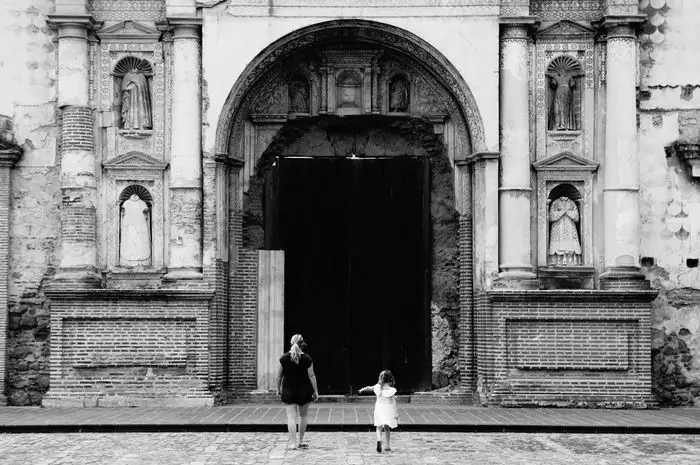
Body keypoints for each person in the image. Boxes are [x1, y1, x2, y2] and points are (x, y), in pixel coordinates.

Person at [276, 334, 318, 450]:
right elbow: (312, 375)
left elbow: (279, 376)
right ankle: (301, 440)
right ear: (302, 344)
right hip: (304, 390)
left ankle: (293, 443)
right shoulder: (307, 358)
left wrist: (277, 389)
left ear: (291, 343)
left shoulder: (283, 358)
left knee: (291, 417)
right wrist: (316, 391)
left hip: (288, 390)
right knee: (303, 416)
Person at [359, 370, 399, 453]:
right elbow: (393, 402)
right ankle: (387, 446)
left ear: (381, 378)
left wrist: (362, 389)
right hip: (388, 410)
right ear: (391, 379)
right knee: (387, 427)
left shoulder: (377, 387)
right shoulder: (391, 390)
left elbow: (369, 388)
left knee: (378, 426)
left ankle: (379, 440)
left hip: (379, 409)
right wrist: (396, 413)